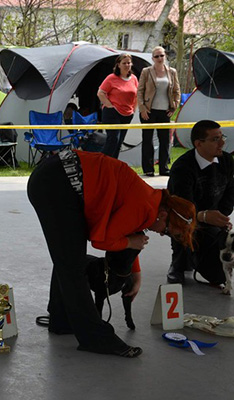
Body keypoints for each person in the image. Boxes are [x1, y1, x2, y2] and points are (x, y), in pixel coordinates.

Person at [27, 149, 196, 357]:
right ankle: (96, 338)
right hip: (55, 184)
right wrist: (130, 242)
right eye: (168, 231)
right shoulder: (144, 206)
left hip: (59, 176)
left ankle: (62, 321)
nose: (163, 234)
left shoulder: (150, 201)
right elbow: (102, 242)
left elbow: (128, 231)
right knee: (72, 264)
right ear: (163, 215)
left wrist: (136, 274)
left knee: (68, 258)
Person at [167, 120, 234, 285]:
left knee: (219, 275)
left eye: (222, 137)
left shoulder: (227, 161)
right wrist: (203, 216)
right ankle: (178, 265)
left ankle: (197, 256)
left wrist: (221, 217)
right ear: (199, 144)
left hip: (211, 220)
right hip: (183, 218)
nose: (222, 142)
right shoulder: (182, 168)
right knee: (183, 227)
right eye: (215, 139)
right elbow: (181, 207)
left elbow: (230, 192)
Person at [137, 46, 181, 177]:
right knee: (147, 140)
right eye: (156, 56)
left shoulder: (172, 72)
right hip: (148, 111)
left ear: (165, 56)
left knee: (165, 141)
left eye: (161, 55)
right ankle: (148, 168)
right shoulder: (146, 71)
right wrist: (142, 108)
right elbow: (140, 91)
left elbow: (177, 91)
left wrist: (174, 106)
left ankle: (163, 167)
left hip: (164, 111)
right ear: (152, 58)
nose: (159, 58)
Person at [97, 54, 138, 159]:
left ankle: (113, 165)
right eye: (124, 63)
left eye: (128, 63)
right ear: (118, 65)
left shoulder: (133, 78)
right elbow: (100, 93)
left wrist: (134, 109)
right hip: (112, 113)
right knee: (113, 139)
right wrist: (109, 106)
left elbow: (137, 95)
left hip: (127, 114)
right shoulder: (111, 78)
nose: (126, 65)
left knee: (119, 142)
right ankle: (101, 163)